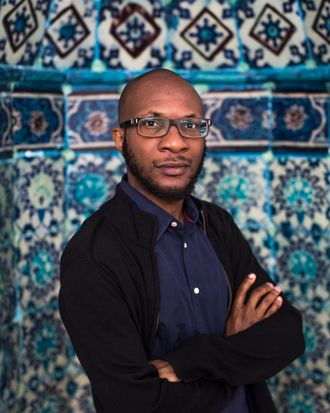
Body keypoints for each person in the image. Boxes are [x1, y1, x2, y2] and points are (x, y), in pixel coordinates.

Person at [59, 69, 304, 413]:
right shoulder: (93, 256)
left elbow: (287, 333)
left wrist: (189, 362)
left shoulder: (216, 223)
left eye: (190, 125)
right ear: (120, 139)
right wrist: (235, 357)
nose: (175, 142)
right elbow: (133, 401)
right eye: (151, 123)